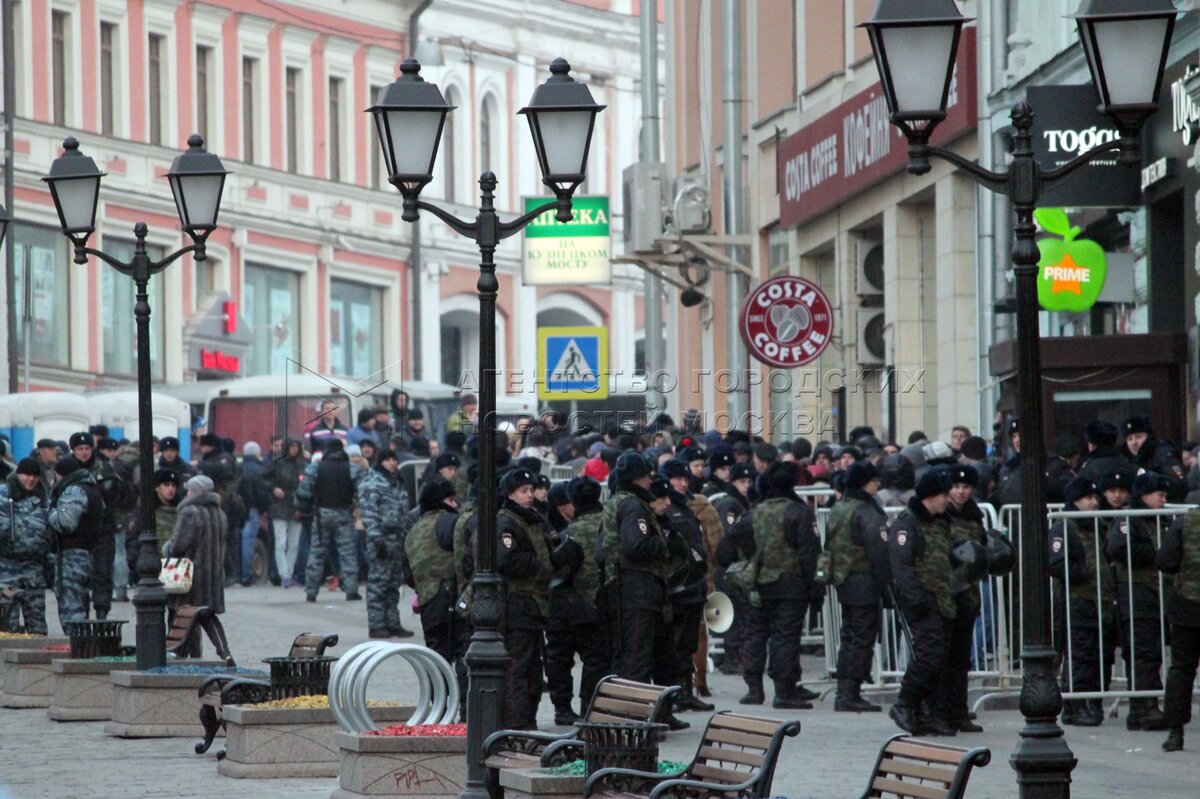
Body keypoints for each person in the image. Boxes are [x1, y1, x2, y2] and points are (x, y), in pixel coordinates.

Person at [726, 461, 820, 710]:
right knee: (785, 637)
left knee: (755, 634)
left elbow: (727, 546)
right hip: (792, 585)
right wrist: (815, 589)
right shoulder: (798, 512)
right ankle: (784, 691)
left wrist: (750, 558)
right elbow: (810, 555)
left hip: (758, 585)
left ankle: (754, 690)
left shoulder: (755, 512)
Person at [888, 467, 956, 735]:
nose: (948, 500)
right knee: (930, 655)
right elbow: (901, 566)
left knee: (940, 659)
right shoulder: (907, 524)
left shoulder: (941, 521)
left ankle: (927, 711)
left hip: (943, 598)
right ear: (930, 496)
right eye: (944, 495)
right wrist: (916, 599)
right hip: (922, 599)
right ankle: (904, 703)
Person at [599, 452, 673, 688]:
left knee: (639, 653)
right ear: (637, 478)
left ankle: (649, 712)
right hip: (637, 589)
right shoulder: (633, 506)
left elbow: (601, 550)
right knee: (636, 657)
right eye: (647, 476)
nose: (650, 481)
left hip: (622, 587)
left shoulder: (616, 502)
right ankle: (634, 716)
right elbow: (636, 546)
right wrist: (662, 541)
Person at [825, 461, 890, 713]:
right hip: (864, 580)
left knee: (850, 637)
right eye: (874, 481)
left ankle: (845, 690)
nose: (878, 485)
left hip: (844, 580)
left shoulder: (840, 507)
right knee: (861, 638)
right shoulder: (867, 512)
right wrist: (888, 585)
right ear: (865, 483)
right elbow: (879, 553)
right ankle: (850, 692)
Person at [1105, 472, 1168, 731]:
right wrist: (1156, 554)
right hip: (1136, 589)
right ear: (1145, 496)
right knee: (1142, 651)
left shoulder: (1156, 520)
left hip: (1150, 591)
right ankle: (1145, 706)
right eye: (1160, 495)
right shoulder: (1131, 518)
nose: (1164, 500)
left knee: (1148, 651)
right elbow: (1120, 548)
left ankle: (1144, 706)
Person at [1049, 477, 1113, 727]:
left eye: (1095, 498)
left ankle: (1091, 703)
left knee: (1098, 654)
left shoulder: (1097, 525)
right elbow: (1056, 562)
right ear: (1075, 500)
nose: (1094, 502)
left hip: (1099, 599)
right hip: (1077, 599)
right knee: (1080, 653)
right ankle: (1075, 706)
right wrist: (1082, 573)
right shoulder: (1065, 526)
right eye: (1088, 498)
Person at [544, 476, 608, 725]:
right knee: (596, 658)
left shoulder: (566, 534)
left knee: (560, 657)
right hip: (599, 605)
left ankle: (562, 708)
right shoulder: (608, 526)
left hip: (566, 605)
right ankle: (589, 707)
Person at [495, 467, 554, 730]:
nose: (529, 496)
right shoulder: (507, 522)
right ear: (510, 494)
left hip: (533, 604)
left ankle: (527, 719)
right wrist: (538, 563)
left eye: (531, 491)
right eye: (523, 491)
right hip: (516, 602)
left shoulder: (531, 519)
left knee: (533, 667)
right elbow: (506, 560)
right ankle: (517, 722)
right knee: (518, 666)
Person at [404, 478, 466, 707]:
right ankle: (466, 711)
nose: (455, 504)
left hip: (429, 601)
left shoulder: (414, 530)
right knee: (463, 652)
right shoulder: (450, 522)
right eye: (451, 499)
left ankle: (439, 709)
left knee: (436, 656)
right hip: (453, 597)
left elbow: (407, 573)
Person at [661, 460, 716, 713]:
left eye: (685, 479)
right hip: (677, 588)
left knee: (688, 644)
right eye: (676, 479)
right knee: (674, 645)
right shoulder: (665, 510)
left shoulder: (688, 508)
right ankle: (672, 694)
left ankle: (686, 691)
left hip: (694, 586)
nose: (682, 483)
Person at [940, 464, 988, 733]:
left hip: (968, 592)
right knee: (945, 657)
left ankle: (959, 710)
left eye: (966, 487)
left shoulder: (974, 516)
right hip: (948, 592)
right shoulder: (941, 515)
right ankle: (944, 709)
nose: (960, 492)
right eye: (956, 487)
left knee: (961, 658)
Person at [164, 475, 227, 653]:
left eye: (189, 490)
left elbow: (177, 546)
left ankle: (177, 654)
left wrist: (166, 548)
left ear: (196, 492)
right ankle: (225, 653)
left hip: (191, 576)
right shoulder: (220, 514)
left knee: (182, 617)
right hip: (212, 576)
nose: (187, 493)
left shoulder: (190, 512)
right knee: (207, 616)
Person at [1156, 503, 1200, 752]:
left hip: (1187, 606)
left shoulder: (1184, 522)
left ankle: (1175, 731)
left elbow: (1166, 560)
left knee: (1182, 670)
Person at [297, 439, 363, 602]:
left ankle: (311, 592)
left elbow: (304, 492)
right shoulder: (352, 469)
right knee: (347, 553)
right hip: (344, 514)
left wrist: (303, 509)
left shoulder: (316, 468)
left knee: (316, 553)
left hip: (321, 515)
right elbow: (363, 491)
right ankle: (351, 590)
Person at [358, 448, 413, 638]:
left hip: (397, 538)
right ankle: (376, 624)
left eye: (394, 459)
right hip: (381, 538)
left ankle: (392, 622)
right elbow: (369, 513)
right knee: (378, 583)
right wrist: (376, 538)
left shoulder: (397, 482)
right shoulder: (372, 483)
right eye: (388, 460)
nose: (393, 463)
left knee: (393, 584)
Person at [47, 456, 105, 629]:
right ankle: (83, 646)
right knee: (80, 603)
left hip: (71, 556)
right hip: (87, 553)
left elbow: (65, 523)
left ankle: (78, 647)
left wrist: (49, 511)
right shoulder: (92, 488)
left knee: (71, 608)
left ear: (60, 475)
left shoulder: (74, 490)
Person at [0, 458, 51, 634]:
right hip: (7, 568)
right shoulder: (3, 496)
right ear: (18, 474)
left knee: (37, 622)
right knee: (7, 621)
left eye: (35, 476)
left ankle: (38, 658)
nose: (30, 479)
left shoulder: (43, 498)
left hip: (34, 568)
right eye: (26, 475)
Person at [259, 438, 306, 588]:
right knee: (281, 542)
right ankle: (284, 574)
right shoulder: (277, 463)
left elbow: (306, 485)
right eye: (291, 446)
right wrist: (273, 489)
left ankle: (289, 573)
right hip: (279, 505)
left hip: (297, 506)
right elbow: (259, 478)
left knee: (294, 543)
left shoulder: (301, 465)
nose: (294, 449)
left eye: (296, 447)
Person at [237, 442, 268, 587]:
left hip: (238, 510)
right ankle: (246, 575)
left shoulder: (239, 468)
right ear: (257, 453)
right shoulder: (260, 469)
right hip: (253, 510)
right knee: (248, 541)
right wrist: (263, 509)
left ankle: (239, 574)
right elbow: (262, 493)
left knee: (240, 540)